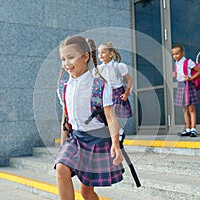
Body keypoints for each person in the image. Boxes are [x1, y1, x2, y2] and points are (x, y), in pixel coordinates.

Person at [54, 35, 124, 200]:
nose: (66, 63)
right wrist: (63, 145)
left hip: (96, 141)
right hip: (76, 138)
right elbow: (66, 119)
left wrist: (116, 145)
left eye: (71, 57)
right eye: (63, 59)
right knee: (61, 167)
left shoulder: (99, 85)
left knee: (86, 192)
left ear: (85, 57)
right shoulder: (63, 87)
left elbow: (111, 117)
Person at [93, 42, 133, 137]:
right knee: (105, 115)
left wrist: (126, 93)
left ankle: (118, 132)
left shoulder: (119, 66)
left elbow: (129, 79)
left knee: (112, 115)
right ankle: (117, 131)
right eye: (99, 53)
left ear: (111, 54)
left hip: (117, 92)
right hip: (105, 93)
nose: (100, 55)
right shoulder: (98, 69)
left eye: (103, 52)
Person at [172, 44, 200, 137]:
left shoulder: (188, 62)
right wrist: (175, 75)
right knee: (184, 109)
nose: (175, 56)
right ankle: (188, 128)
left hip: (188, 85)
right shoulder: (176, 64)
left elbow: (199, 71)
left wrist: (191, 78)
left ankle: (193, 129)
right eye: (173, 54)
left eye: (177, 53)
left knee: (191, 109)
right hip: (181, 85)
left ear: (182, 53)